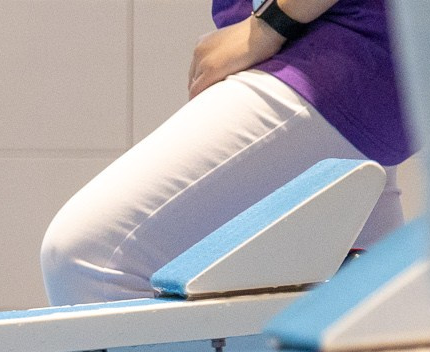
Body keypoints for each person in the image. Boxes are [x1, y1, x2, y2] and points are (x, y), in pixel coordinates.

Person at [40, 0, 410, 305]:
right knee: (359, 320)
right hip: (333, 52)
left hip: (335, 46)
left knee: (90, 258)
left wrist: (269, 24)